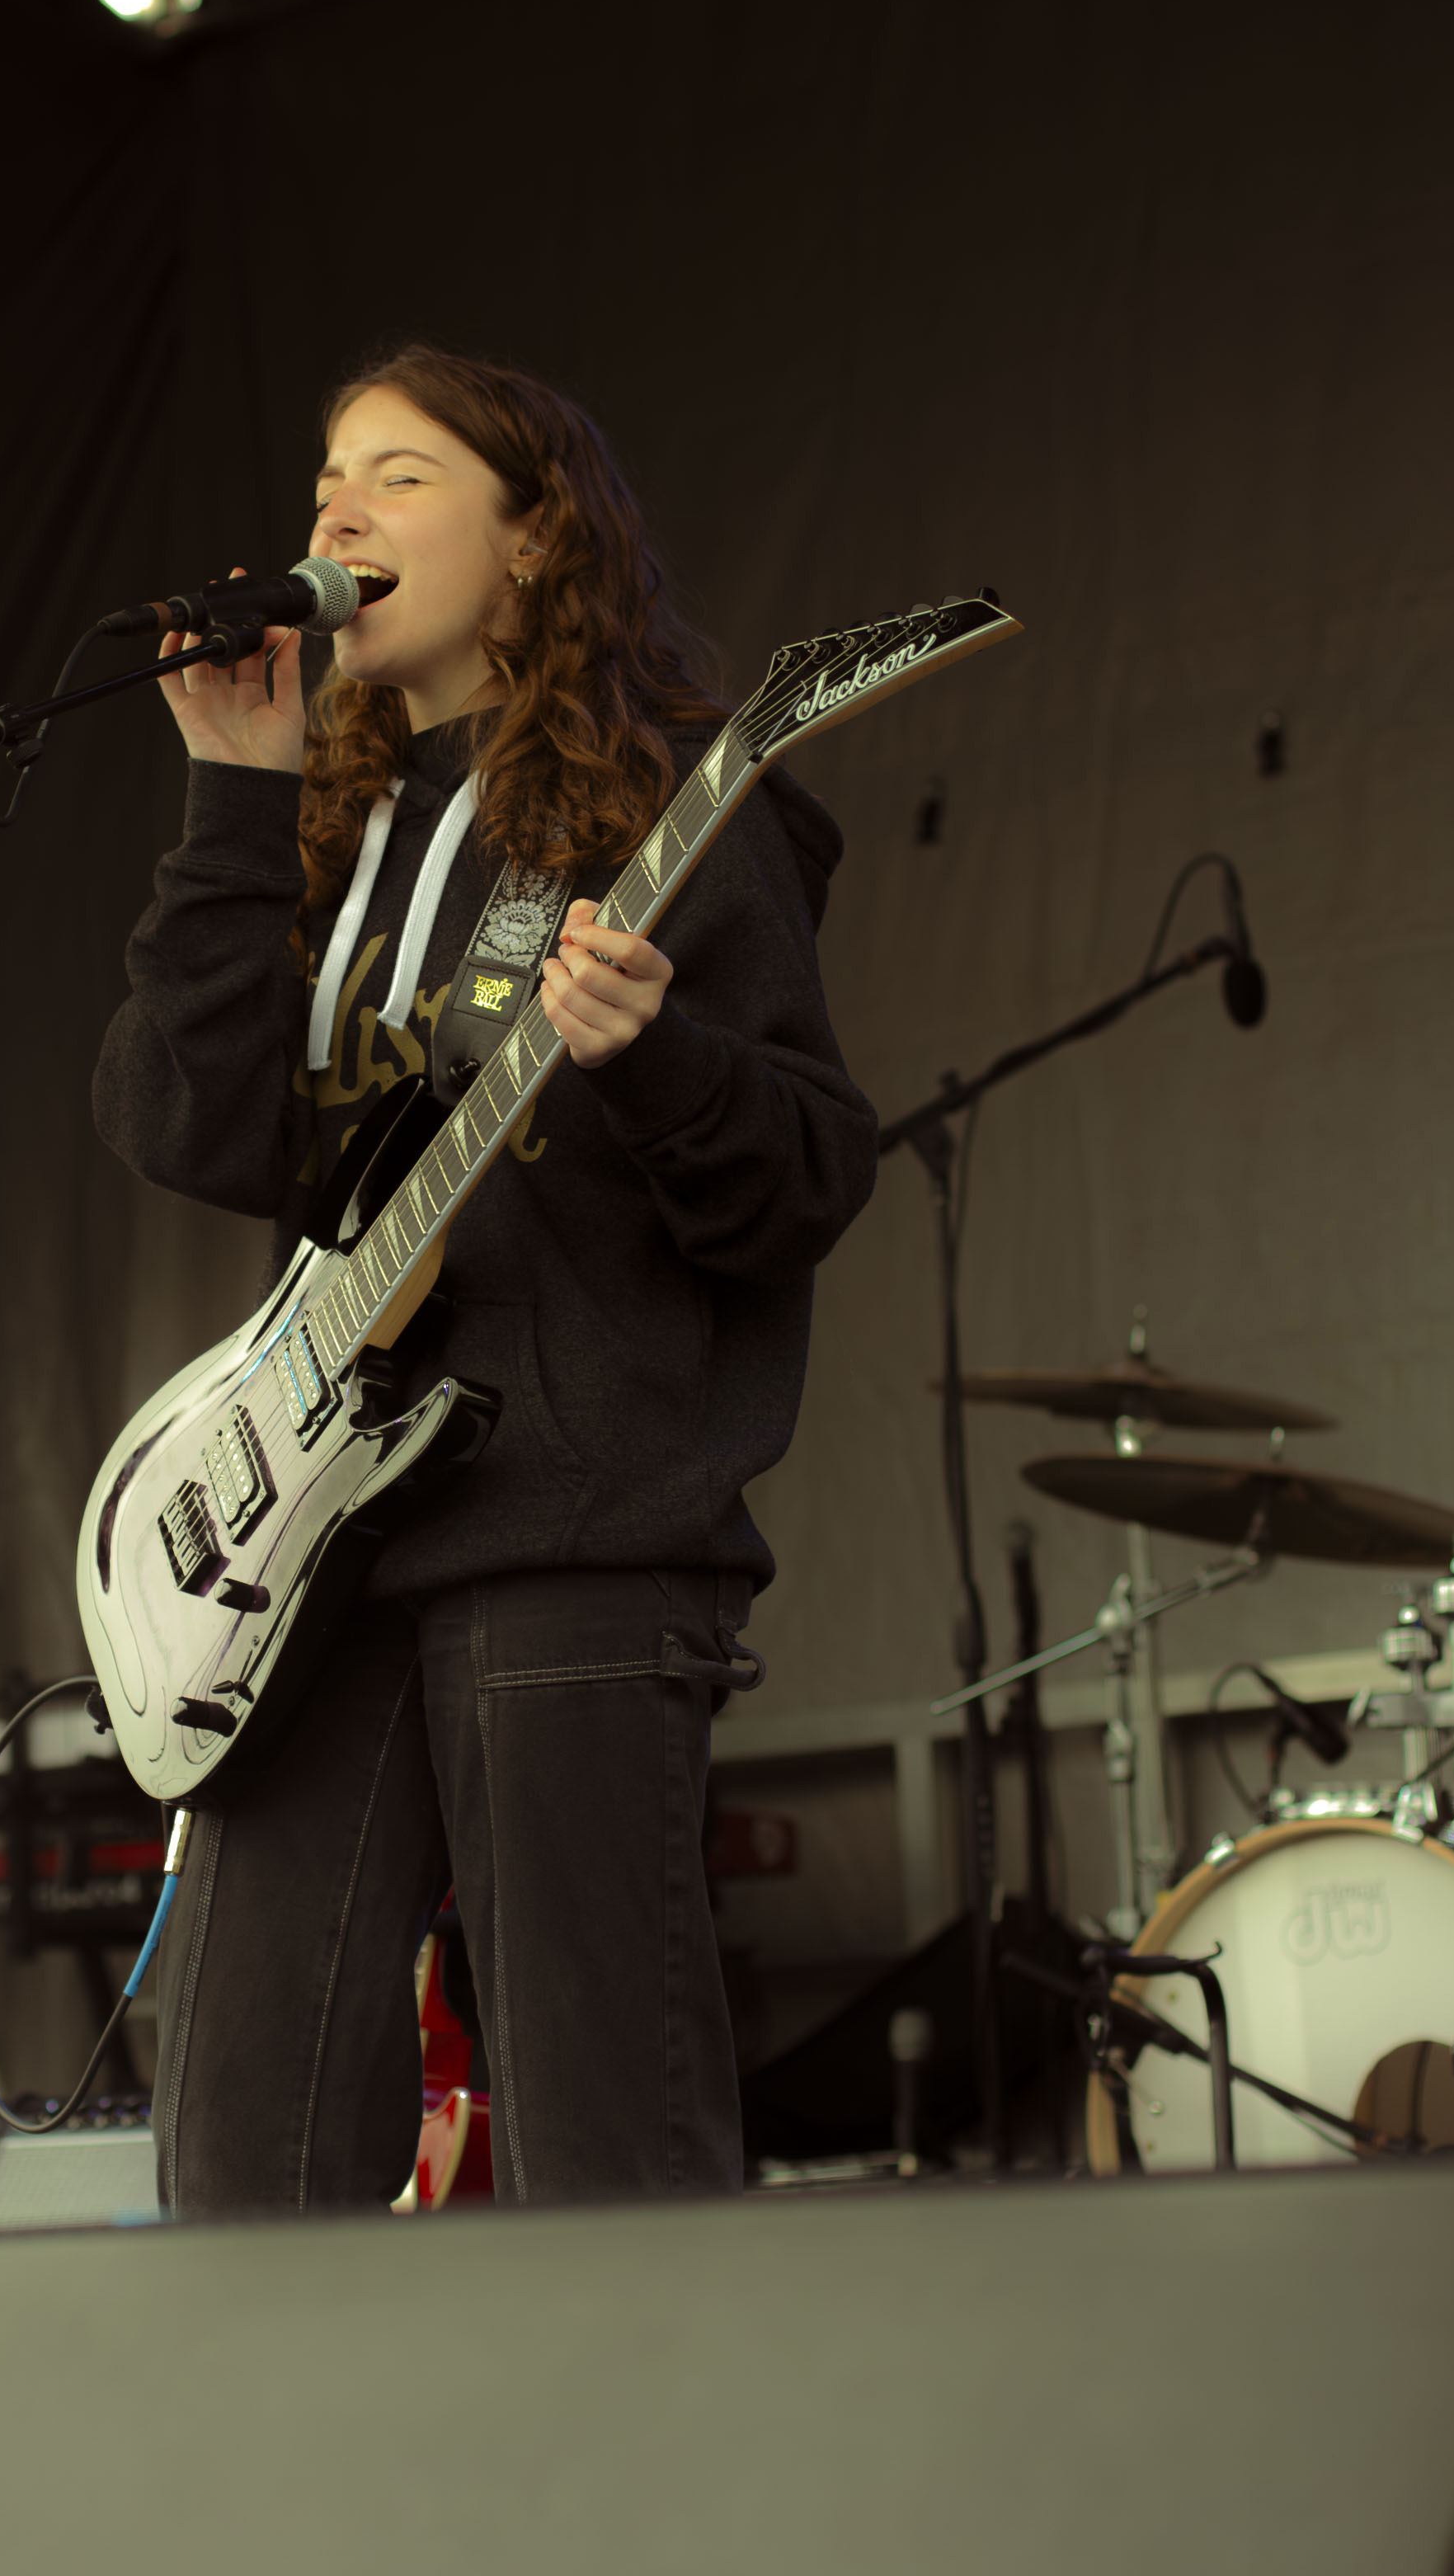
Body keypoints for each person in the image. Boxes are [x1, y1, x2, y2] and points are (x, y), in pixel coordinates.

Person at [94, 345, 877, 2211]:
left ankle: (647, 2506)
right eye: (321, 485)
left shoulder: (680, 795)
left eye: (400, 475)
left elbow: (808, 1175)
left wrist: (661, 1062)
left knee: (609, 2137)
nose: (334, 516)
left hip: (574, 1536)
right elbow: (190, 1129)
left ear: (536, 545)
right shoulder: (333, 824)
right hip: (313, 1553)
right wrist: (228, 796)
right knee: (242, 2149)